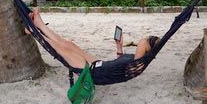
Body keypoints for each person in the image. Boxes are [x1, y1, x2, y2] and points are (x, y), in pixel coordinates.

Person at [27, 8, 158, 71]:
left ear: (147, 50)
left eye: (143, 44)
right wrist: (119, 46)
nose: (140, 43)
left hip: (93, 71)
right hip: (98, 63)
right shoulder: (133, 58)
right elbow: (120, 64)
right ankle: (40, 25)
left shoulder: (138, 64)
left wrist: (147, 43)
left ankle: (34, 32)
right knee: (70, 45)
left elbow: (143, 45)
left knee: (62, 49)